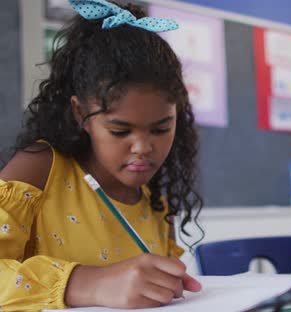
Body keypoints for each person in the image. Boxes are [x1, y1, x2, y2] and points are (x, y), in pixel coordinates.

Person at [0, 0, 203, 310]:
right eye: (120, 131)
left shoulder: (155, 203)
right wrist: (83, 283)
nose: (142, 148)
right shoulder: (39, 169)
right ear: (80, 113)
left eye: (161, 129)